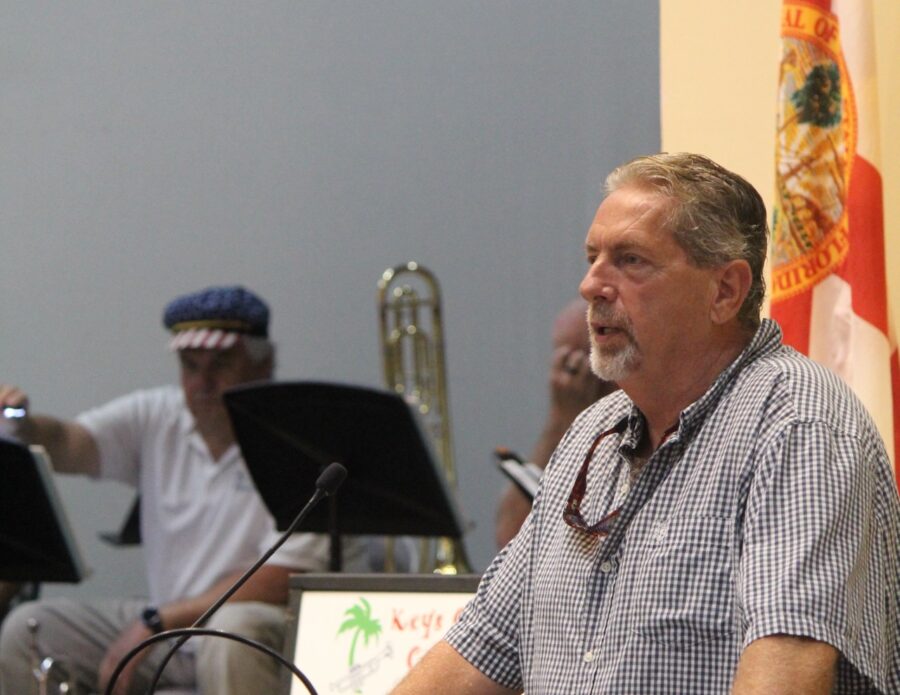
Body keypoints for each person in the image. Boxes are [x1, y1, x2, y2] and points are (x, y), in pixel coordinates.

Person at [391, 153, 900, 693]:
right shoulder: (593, 435)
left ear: (725, 291)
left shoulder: (798, 426)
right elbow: (481, 647)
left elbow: (788, 673)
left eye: (630, 261)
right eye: (592, 258)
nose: (591, 285)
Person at [0, 286, 353, 695]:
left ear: (264, 363)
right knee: (30, 630)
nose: (203, 383)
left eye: (221, 364)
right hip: (165, 621)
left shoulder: (299, 440)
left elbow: (282, 578)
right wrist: (21, 425)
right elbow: (69, 444)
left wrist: (158, 622)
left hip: (253, 624)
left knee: (231, 631)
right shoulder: (157, 415)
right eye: (190, 365)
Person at [494, 299, 615, 548]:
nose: (568, 379)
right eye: (564, 361)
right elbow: (509, 539)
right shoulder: (567, 419)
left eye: (577, 363)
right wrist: (561, 422)